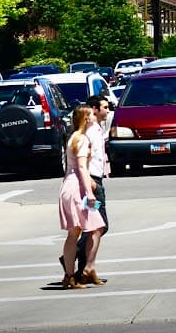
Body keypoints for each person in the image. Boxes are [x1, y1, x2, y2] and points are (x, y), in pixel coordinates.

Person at [57, 105, 106, 289]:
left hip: (69, 186)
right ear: (86, 119)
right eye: (91, 114)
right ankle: (85, 269)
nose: (94, 116)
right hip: (78, 188)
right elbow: (82, 168)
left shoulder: (72, 138)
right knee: (96, 227)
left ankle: (70, 275)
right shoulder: (82, 140)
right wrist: (90, 192)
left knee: (75, 232)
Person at [72, 94, 112, 285]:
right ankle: (79, 259)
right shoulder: (89, 130)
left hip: (97, 178)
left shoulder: (96, 128)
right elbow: (84, 160)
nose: (108, 110)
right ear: (94, 109)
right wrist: (90, 181)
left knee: (96, 226)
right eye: (105, 107)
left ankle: (84, 268)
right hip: (92, 181)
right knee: (99, 224)